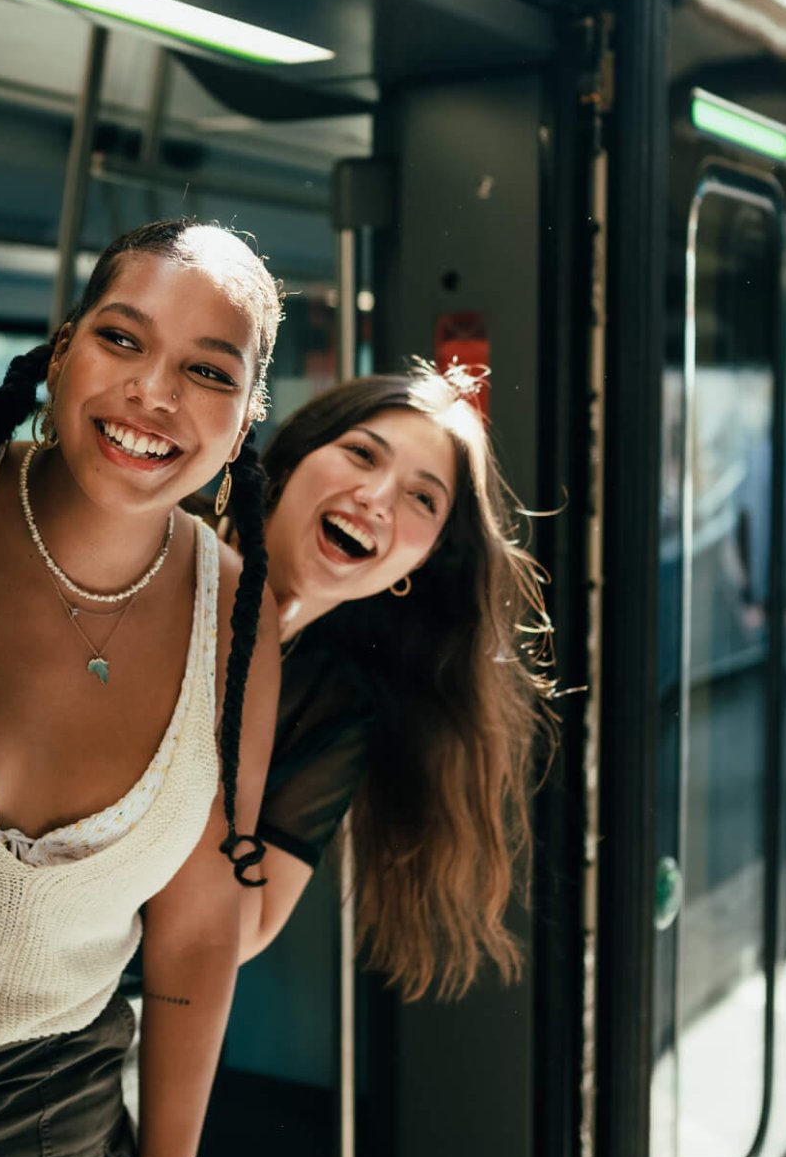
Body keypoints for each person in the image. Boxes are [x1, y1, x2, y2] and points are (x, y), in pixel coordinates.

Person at [0, 218, 282, 1157]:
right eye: (121, 339)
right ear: (61, 353)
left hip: (49, 1126)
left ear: (241, 424)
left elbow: (196, 935)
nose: (153, 392)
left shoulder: (239, 625)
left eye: (206, 370)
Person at [229, 364, 553, 997]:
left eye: (422, 498)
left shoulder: (336, 706)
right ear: (296, 457)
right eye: (360, 454)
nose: (375, 499)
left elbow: (244, 932)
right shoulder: (162, 552)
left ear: (422, 562)